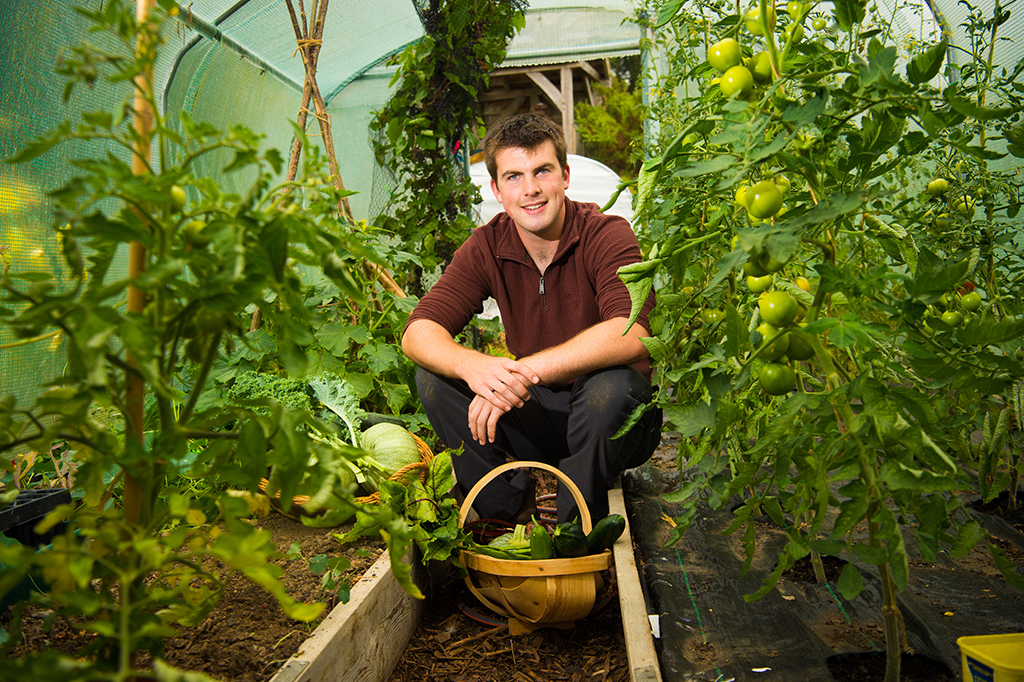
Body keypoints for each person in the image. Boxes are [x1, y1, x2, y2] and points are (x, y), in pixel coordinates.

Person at [402, 112, 662, 524]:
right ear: (496, 189)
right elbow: (418, 331)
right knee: (434, 377)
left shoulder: (606, 234)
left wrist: (523, 371)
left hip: (612, 423)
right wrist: (474, 367)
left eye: (542, 170)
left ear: (565, 176)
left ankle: (578, 529)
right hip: (535, 419)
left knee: (614, 385)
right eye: (514, 177)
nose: (531, 189)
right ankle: (502, 512)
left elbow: (631, 333)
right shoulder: (488, 245)